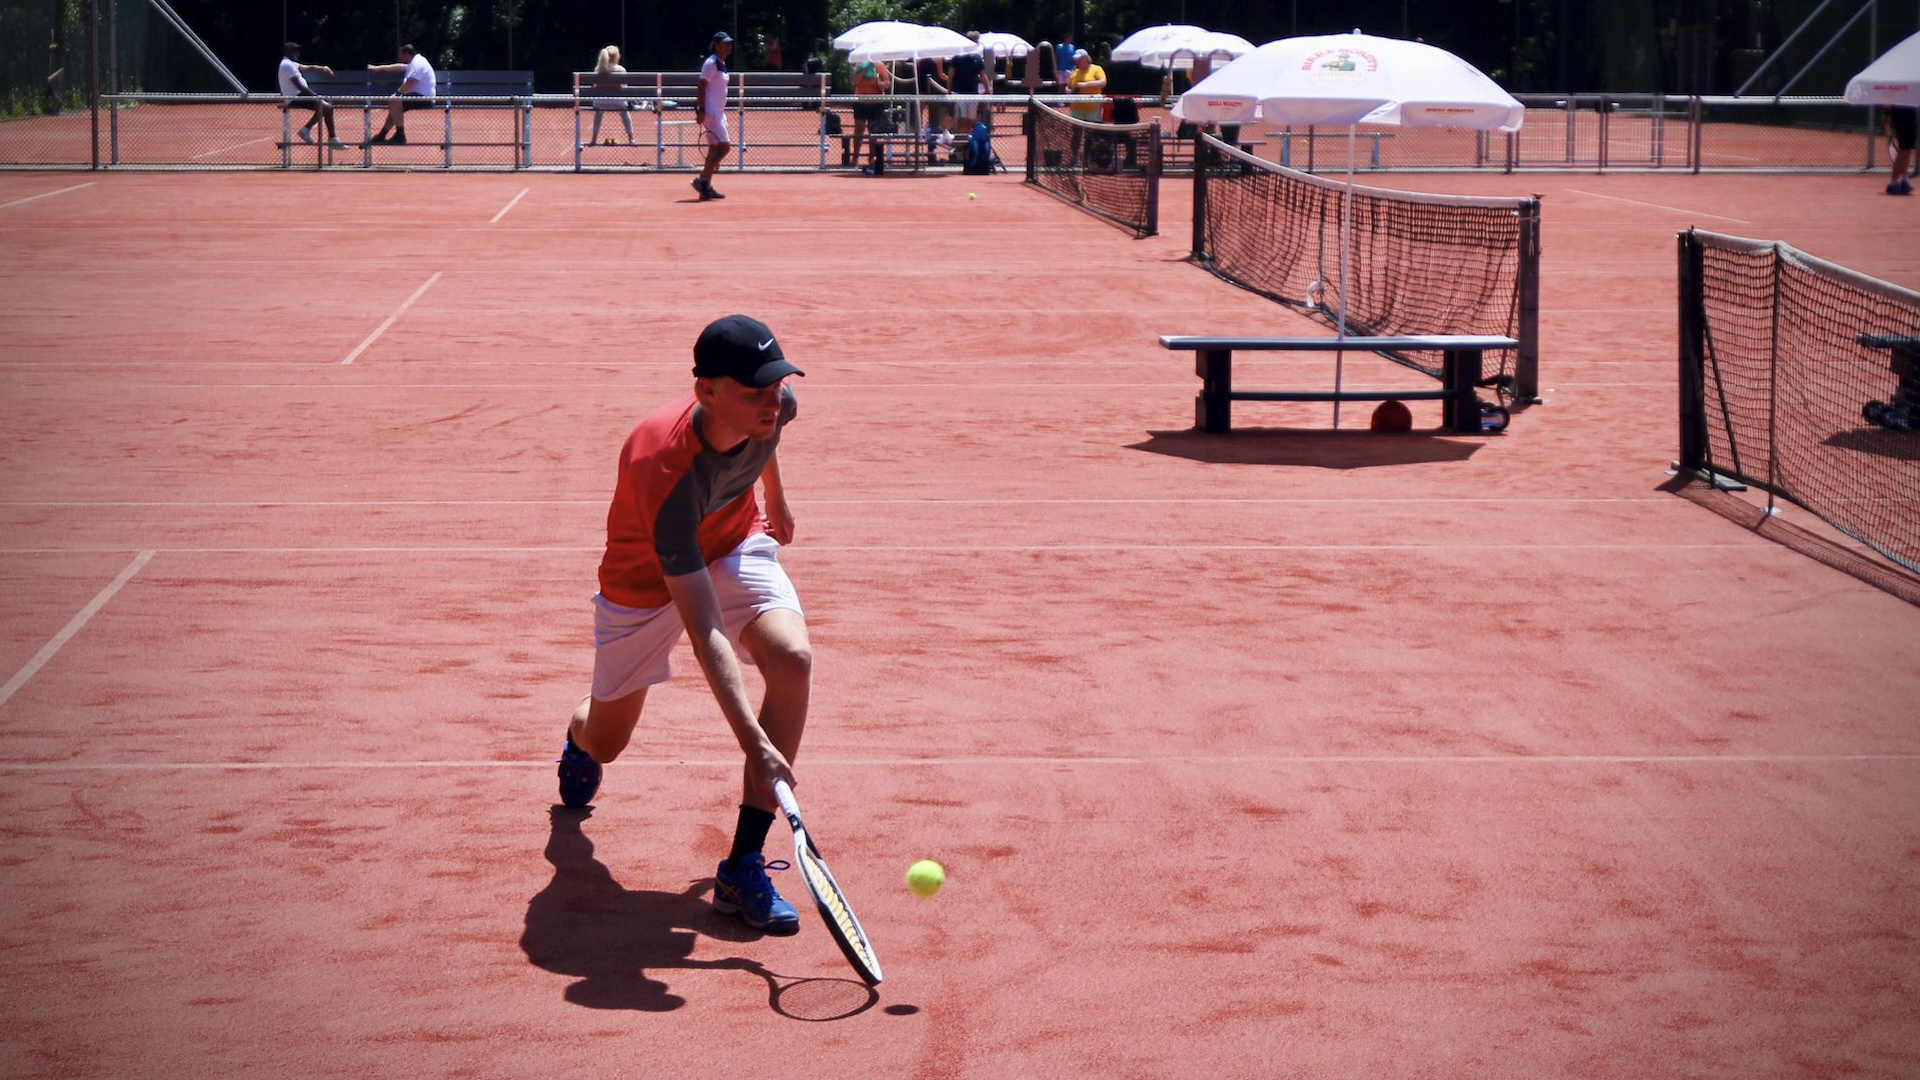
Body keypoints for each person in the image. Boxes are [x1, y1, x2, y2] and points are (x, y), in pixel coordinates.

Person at [557, 313, 812, 935]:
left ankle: (743, 863)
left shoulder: (773, 407)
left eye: (775, 384)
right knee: (608, 742)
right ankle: (579, 728)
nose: (770, 401)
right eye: (753, 390)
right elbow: (705, 632)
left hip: (731, 542)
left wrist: (774, 497)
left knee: (792, 661)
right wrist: (753, 740)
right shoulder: (665, 471)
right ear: (706, 392)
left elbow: (768, 440)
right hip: (645, 580)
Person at [278, 42, 347, 149]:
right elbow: (299, 85)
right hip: (296, 97)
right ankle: (306, 130)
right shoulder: (287, 65)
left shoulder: (291, 64)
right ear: (288, 52)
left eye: (297, 51)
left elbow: (308, 67)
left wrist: (324, 69)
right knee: (326, 107)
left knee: (328, 107)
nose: (297, 53)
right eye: (295, 51)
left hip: (299, 95)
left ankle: (332, 138)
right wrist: (315, 96)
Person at [365, 43, 435, 145]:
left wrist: (398, 94)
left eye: (401, 55)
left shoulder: (418, 63)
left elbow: (411, 81)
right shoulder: (413, 62)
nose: (400, 57)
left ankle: (400, 135)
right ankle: (382, 134)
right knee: (394, 108)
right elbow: (400, 67)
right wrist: (379, 68)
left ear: (406, 54)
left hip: (424, 98)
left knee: (394, 101)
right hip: (419, 95)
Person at [693, 32, 733, 201]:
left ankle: (705, 187)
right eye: (725, 43)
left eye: (729, 43)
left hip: (718, 112)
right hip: (711, 112)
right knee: (725, 147)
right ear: (716, 45)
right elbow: (701, 87)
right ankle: (702, 179)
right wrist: (701, 110)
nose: (728, 46)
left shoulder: (721, 63)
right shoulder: (711, 63)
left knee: (715, 148)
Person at [849, 54, 891, 171]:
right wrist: (864, 68)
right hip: (861, 102)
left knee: (874, 131)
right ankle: (855, 156)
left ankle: (872, 157)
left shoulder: (880, 65)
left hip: (876, 103)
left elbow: (887, 83)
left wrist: (878, 83)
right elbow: (855, 81)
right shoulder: (859, 64)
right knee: (859, 129)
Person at [589, 44, 634, 145]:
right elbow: (625, 89)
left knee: (598, 113)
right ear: (616, 57)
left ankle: (594, 138)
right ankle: (631, 138)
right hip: (618, 103)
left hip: (600, 103)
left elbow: (595, 87)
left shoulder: (598, 69)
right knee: (624, 112)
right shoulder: (621, 70)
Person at [1886, 105, 1915, 196]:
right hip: (1903, 115)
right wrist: (1886, 113)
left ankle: (1904, 180)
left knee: (1907, 149)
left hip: (1909, 114)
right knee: (1904, 149)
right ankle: (1893, 183)